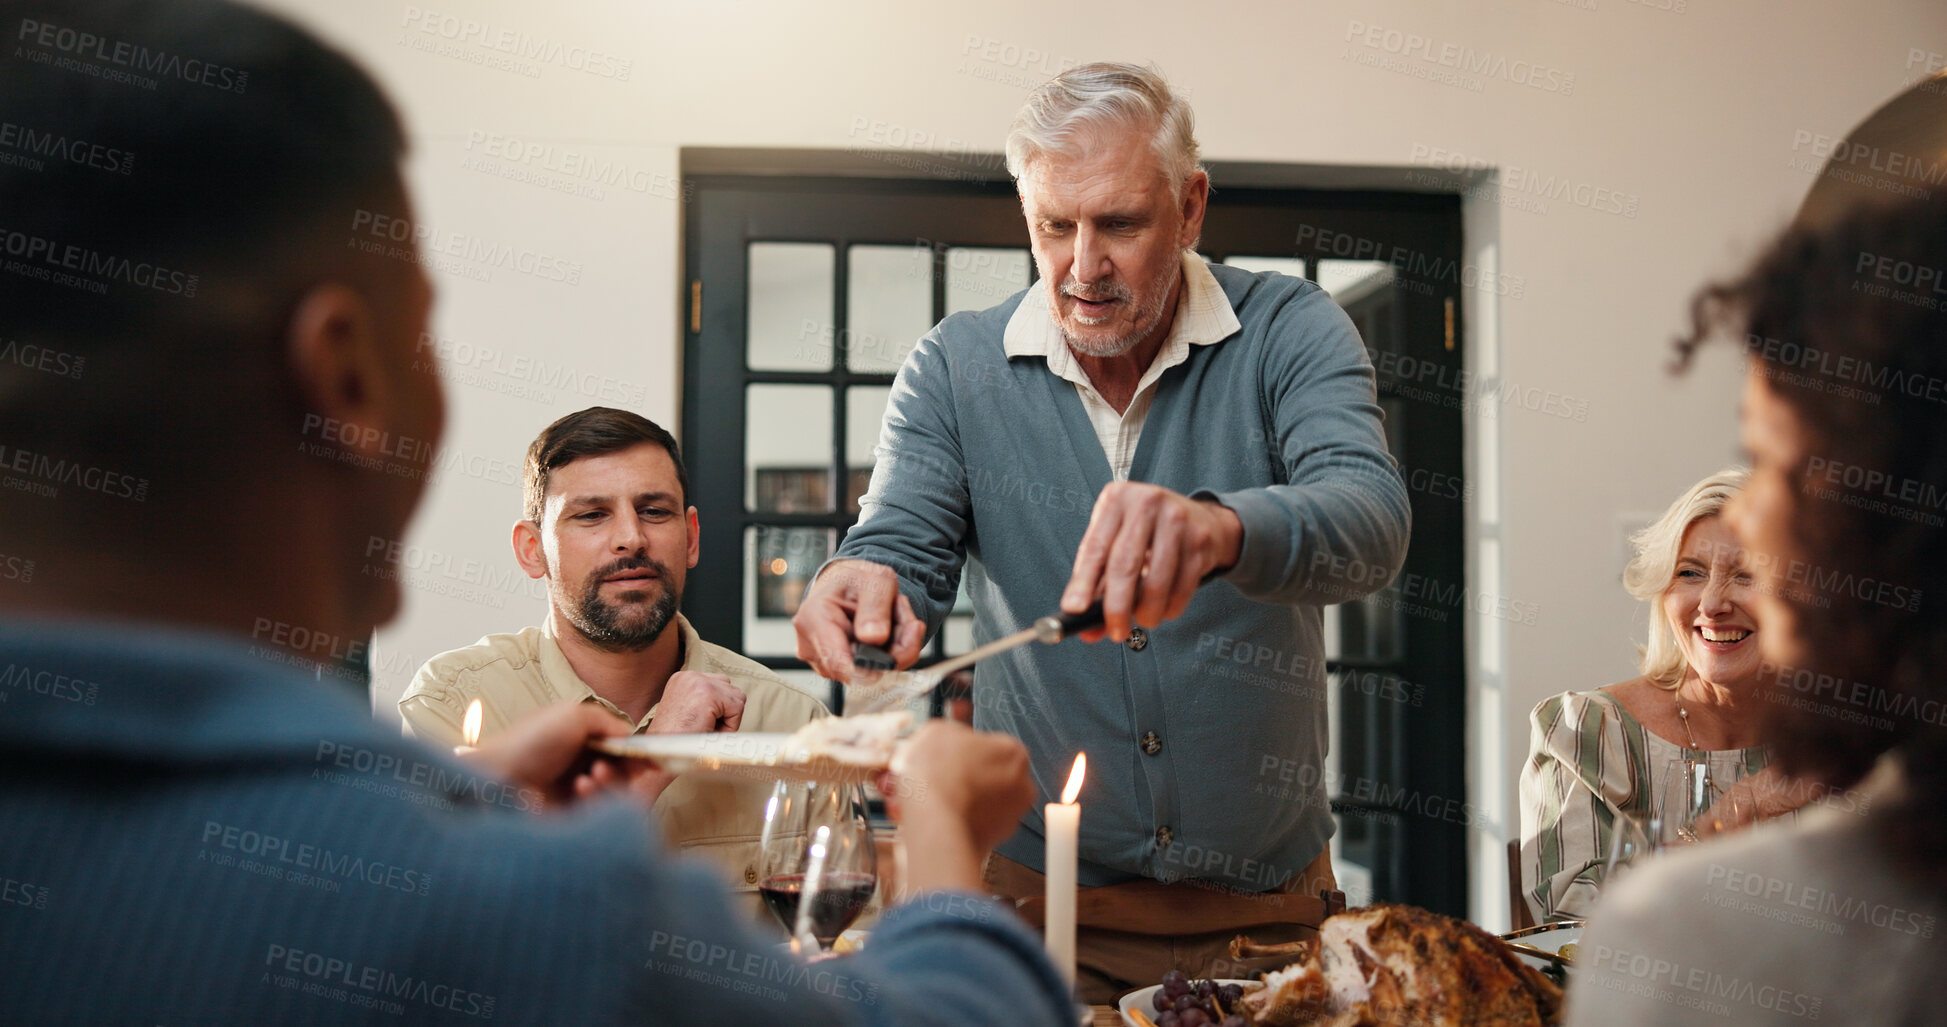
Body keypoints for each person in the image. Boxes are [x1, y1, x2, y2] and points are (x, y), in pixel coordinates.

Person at [0, 2, 1074, 1023]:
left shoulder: (441, 831)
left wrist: (470, 818)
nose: (627, 538)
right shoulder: (500, 907)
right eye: (421, 330)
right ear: (346, 379)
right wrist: (942, 832)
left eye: (654, 509)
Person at [792, 61, 1410, 1000]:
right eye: (1054, 225)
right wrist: (863, 574)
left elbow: (1370, 516)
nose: (1083, 266)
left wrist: (1217, 529)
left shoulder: (1290, 329)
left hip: (1266, 915)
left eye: (1120, 223)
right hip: (1036, 913)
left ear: (1191, 206)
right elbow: (900, 542)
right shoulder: (955, 368)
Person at [1568, 132, 1947, 1025]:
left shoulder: (1690, 941)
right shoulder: (1588, 725)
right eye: (1690, 570)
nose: (1752, 525)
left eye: (1769, 463)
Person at [398, 407, 826, 916]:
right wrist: (655, 757)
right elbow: (443, 926)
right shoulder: (450, 702)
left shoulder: (793, 724)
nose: (632, 537)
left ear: (690, 538)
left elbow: (845, 958)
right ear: (532, 550)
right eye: (592, 515)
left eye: (654, 511)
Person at [1519, 468, 1816, 923]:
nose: (1712, 603)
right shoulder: (1588, 734)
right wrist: (1741, 809)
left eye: (1747, 574)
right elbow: (1576, 927)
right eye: (1690, 573)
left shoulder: (1847, 740)